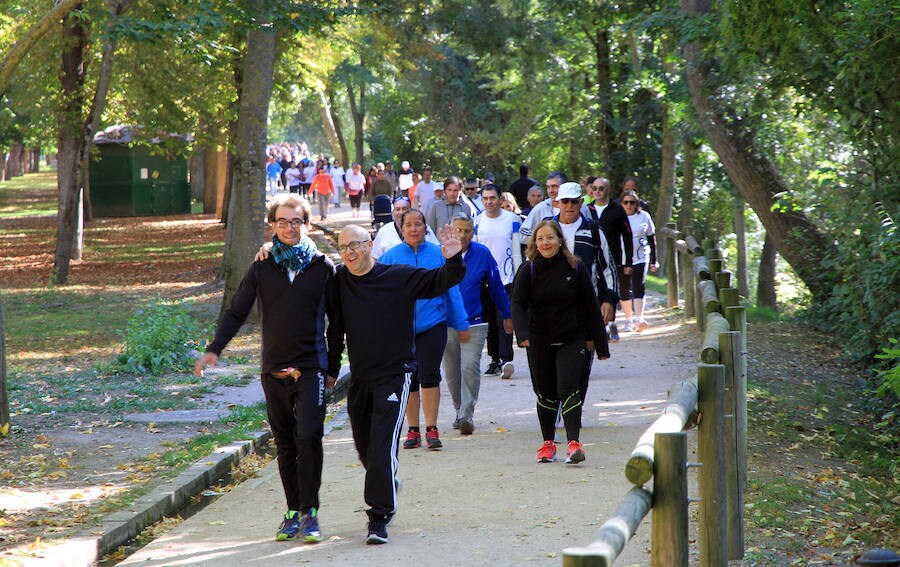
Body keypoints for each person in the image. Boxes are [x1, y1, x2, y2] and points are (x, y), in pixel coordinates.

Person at [195, 194, 336, 543]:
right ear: (272, 225)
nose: (290, 228)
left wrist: (333, 365)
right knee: (286, 444)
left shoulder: (322, 267)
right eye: (283, 221)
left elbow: (340, 322)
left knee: (309, 436)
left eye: (297, 221)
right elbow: (237, 311)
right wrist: (214, 350)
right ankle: (292, 512)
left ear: (307, 225)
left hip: (311, 366)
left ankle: (311, 513)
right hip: (272, 367)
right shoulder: (262, 265)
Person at [326, 223, 466, 544]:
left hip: (395, 374)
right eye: (343, 246)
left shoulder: (397, 276)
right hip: (360, 378)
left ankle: (379, 516)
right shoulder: (338, 282)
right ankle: (386, 479)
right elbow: (334, 329)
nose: (349, 252)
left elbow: (441, 280)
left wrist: (453, 258)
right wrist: (333, 369)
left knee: (381, 444)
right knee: (365, 449)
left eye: (356, 245)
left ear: (371, 244)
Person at [511, 220, 608, 465]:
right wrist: (522, 335)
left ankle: (574, 443)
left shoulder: (575, 267)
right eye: (541, 239)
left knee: (568, 388)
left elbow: (590, 305)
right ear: (535, 243)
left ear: (560, 240)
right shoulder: (528, 269)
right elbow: (518, 303)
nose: (545, 243)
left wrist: (599, 343)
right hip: (539, 339)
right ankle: (548, 444)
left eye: (550, 238)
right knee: (545, 392)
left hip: (572, 338)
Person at [380, 210, 470, 450]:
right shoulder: (390, 257)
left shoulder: (438, 253)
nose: (412, 229)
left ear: (424, 228)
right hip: (401, 329)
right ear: (400, 228)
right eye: (407, 225)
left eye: (417, 224)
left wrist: (461, 323)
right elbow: (380, 295)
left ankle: (431, 428)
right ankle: (412, 429)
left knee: (429, 374)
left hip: (433, 325)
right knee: (409, 379)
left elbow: (453, 290)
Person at [444, 215, 511, 435]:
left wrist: (507, 314)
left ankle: (466, 414)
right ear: (451, 231)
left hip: (475, 320)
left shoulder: (482, 254)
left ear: (473, 233)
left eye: (467, 231)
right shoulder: (440, 253)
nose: (462, 235)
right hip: (446, 322)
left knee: (469, 367)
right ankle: (458, 410)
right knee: (452, 370)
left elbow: (496, 286)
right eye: (458, 230)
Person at [474, 184, 522, 379]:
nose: (489, 202)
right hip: (484, 279)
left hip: (507, 278)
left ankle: (506, 359)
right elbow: (476, 250)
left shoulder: (512, 219)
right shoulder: (477, 220)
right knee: (488, 322)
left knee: (504, 320)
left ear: (500, 198)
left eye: (492, 198)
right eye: (485, 198)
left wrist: (519, 276)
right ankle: (494, 359)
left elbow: (517, 250)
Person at [585, 176, 634, 342]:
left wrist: (628, 262)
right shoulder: (587, 209)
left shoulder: (617, 209)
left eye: (601, 188)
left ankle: (611, 323)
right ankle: (601, 324)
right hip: (592, 257)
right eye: (595, 188)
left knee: (611, 289)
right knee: (595, 289)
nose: (597, 192)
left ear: (608, 190)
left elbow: (627, 236)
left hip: (612, 258)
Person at [620, 189, 658, 332]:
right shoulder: (618, 217)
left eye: (632, 202)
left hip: (641, 257)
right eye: (626, 202)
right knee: (624, 289)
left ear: (636, 203)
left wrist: (655, 259)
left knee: (638, 286)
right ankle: (628, 319)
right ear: (621, 203)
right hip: (622, 258)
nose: (629, 205)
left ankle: (639, 318)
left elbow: (651, 238)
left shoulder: (644, 216)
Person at [371, 196, 439, 259]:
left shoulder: (424, 228)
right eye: (397, 209)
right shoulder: (384, 231)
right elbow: (375, 258)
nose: (401, 212)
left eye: (404, 209)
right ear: (393, 212)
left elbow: (436, 251)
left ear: (411, 210)